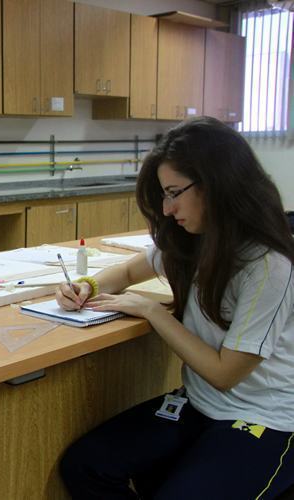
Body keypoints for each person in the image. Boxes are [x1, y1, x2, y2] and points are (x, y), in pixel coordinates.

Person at [56, 117, 294, 499]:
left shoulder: (268, 266)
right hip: (200, 403)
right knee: (85, 464)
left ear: (214, 184)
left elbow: (225, 373)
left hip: (262, 418)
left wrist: (153, 313)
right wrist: (86, 285)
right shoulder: (190, 241)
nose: (167, 210)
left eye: (173, 193)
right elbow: (131, 269)